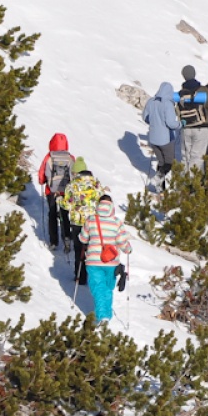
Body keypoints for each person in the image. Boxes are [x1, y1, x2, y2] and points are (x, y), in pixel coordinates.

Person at [80, 195, 132, 323]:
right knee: (108, 288)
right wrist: (128, 249)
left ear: (98, 205)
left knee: (98, 287)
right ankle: (105, 315)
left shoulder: (91, 220)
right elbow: (122, 242)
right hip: (111, 262)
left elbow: (83, 238)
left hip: (93, 261)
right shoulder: (116, 222)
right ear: (111, 206)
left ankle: (103, 316)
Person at [37, 133, 77, 251]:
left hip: (51, 191)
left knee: (52, 214)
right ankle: (67, 237)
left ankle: (54, 241)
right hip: (66, 192)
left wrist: (43, 181)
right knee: (64, 214)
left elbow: (41, 175)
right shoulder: (70, 158)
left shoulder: (49, 157)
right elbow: (74, 174)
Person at [62, 170, 102, 284]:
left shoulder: (72, 185)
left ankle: (80, 276)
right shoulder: (97, 186)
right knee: (93, 249)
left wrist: (59, 201)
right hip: (93, 223)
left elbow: (67, 204)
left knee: (79, 249)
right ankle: (93, 275)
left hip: (78, 222)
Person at [143, 83, 181, 191]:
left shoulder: (151, 101)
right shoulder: (167, 104)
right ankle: (158, 178)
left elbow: (145, 117)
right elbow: (171, 123)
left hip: (153, 138)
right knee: (169, 162)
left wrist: (154, 122)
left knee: (161, 162)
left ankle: (160, 187)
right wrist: (180, 124)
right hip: (166, 139)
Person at [174, 66, 208, 168]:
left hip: (186, 128)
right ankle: (194, 181)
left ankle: (183, 181)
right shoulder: (203, 90)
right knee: (197, 157)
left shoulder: (181, 93)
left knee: (185, 157)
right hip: (201, 127)